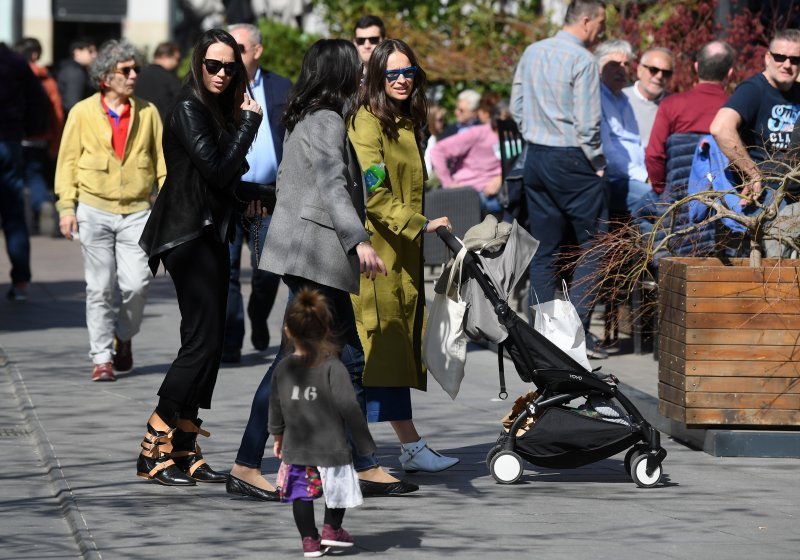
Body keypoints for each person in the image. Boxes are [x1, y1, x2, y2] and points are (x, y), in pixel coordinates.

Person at [227, 38, 414, 502]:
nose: (361, 75)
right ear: (340, 73)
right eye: (356, 68)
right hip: (315, 259)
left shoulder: (305, 115)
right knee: (290, 362)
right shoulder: (326, 120)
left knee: (349, 359)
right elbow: (332, 185)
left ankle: (361, 463)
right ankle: (246, 463)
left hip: (309, 257)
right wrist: (360, 240)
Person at [136, 28, 262, 486]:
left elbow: (219, 180)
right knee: (201, 343)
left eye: (231, 67)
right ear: (198, 64)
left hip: (208, 231)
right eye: (214, 65)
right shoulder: (189, 107)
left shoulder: (216, 109)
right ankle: (154, 444)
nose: (223, 74)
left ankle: (185, 446)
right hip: (186, 235)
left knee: (207, 344)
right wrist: (250, 126)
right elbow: (216, 167)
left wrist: (263, 194)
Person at [348, 38, 460, 476]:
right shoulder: (366, 123)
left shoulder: (407, 120)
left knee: (390, 350)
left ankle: (402, 447)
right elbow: (374, 193)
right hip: (377, 254)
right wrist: (421, 224)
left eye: (407, 72)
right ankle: (398, 448)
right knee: (379, 350)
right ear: (376, 76)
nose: (400, 80)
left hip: (403, 255)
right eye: (391, 73)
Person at [55, 40, 165, 381]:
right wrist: (65, 207)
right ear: (105, 76)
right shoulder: (82, 112)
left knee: (137, 284)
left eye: (136, 70)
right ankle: (101, 357)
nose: (134, 76)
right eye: (126, 70)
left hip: (136, 211)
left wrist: (168, 206)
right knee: (99, 286)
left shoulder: (148, 112)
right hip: (94, 207)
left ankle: (124, 335)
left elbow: (163, 164)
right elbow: (67, 162)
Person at [510, 0, 608, 359]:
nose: (602, 31)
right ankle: (572, 332)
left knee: (546, 249)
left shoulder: (532, 52)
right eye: (600, 23)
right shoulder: (582, 60)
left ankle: (545, 336)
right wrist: (597, 161)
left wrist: (536, 133)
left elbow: (517, 108)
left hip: (535, 155)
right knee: (598, 245)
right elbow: (587, 123)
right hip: (571, 156)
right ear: (585, 21)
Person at [269, 288, 376, 558]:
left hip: (298, 445)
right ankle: (332, 530)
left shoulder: (283, 369)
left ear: (288, 331)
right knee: (336, 488)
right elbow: (349, 407)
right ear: (326, 329)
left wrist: (277, 435)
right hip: (332, 445)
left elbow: (276, 405)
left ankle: (309, 540)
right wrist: (364, 441)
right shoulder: (333, 367)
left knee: (301, 494)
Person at [220, 23, 292, 364]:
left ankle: (259, 313)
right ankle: (231, 341)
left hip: (268, 198)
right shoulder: (219, 86)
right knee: (228, 269)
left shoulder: (281, 87)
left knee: (267, 270)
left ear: (257, 51)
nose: (231, 58)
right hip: (230, 195)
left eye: (240, 49)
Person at [710, 29, 800, 256]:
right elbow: (720, 128)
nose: (786, 64)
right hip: (766, 190)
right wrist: (753, 173)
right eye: (780, 57)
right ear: (767, 58)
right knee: (777, 259)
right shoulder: (754, 89)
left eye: (795, 59)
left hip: (794, 187)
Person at [645, 40, 734, 194]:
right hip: (723, 197)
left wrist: (662, 190)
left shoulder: (671, 105)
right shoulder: (735, 108)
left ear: (696, 67)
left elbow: (654, 155)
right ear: (730, 73)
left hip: (678, 197)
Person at [0, 43, 48, 301]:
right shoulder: (15, 60)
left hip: (9, 137)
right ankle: (20, 282)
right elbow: (38, 99)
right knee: (13, 213)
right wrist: (26, 130)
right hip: (9, 140)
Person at [14, 37, 64, 238]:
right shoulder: (47, 80)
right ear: (36, 54)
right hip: (40, 139)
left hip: (12, 138)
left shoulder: (10, 75)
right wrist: (56, 142)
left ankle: (22, 221)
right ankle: (42, 202)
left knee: (14, 180)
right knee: (36, 177)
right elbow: (57, 113)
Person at [596, 39, 651, 215]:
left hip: (635, 176)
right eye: (615, 64)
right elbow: (608, 154)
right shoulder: (595, 99)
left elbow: (635, 144)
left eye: (626, 64)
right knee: (654, 200)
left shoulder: (623, 99)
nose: (622, 69)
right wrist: (644, 177)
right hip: (613, 179)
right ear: (599, 67)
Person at [430, 95, 507, 215]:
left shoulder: (513, 136)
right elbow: (437, 151)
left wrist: (500, 177)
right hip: (471, 193)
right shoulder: (478, 133)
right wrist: (448, 184)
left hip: (498, 191)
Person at [623, 47, 674, 146]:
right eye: (653, 70)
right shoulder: (620, 99)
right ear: (640, 70)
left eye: (666, 73)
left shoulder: (675, 105)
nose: (659, 76)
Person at [134, 41, 183, 120]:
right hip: (163, 127)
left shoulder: (136, 75)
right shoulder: (170, 78)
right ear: (164, 56)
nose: (178, 63)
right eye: (177, 59)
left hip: (140, 124)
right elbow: (180, 105)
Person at [57, 38, 97, 114]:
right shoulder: (75, 72)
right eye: (90, 51)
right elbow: (73, 105)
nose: (94, 55)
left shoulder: (75, 69)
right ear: (77, 52)